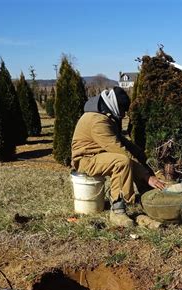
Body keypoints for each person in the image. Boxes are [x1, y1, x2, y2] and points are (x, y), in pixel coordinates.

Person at [71, 87, 165, 227]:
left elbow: (123, 142)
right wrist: (146, 176)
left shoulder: (104, 117)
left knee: (135, 153)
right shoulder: (97, 121)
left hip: (100, 156)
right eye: (122, 110)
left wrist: (141, 155)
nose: (123, 114)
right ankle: (117, 210)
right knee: (122, 162)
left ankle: (147, 195)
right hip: (86, 160)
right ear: (114, 106)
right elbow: (119, 150)